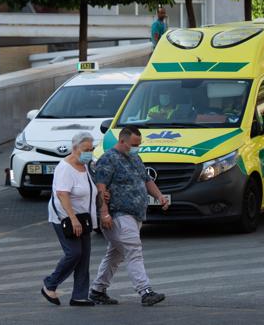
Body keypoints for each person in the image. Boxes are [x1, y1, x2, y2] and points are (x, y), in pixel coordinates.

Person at [89, 125, 169, 307]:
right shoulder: (108, 159)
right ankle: (145, 291)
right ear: (122, 141)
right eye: (133, 144)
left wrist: (159, 196)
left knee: (115, 254)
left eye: (138, 144)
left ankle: (97, 290)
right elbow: (101, 188)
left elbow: (146, 180)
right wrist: (104, 213)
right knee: (133, 250)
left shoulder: (135, 157)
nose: (136, 148)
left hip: (135, 215)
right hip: (118, 214)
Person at [41, 132, 97, 307]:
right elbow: (62, 194)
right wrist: (73, 219)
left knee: (84, 256)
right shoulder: (65, 168)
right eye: (85, 149)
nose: (89, 152)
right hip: (66, 218)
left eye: (91, 149)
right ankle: (50, 284)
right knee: (74, 253)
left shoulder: (85, 165)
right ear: (74, 148)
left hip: (84, 219)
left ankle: (79, 295)